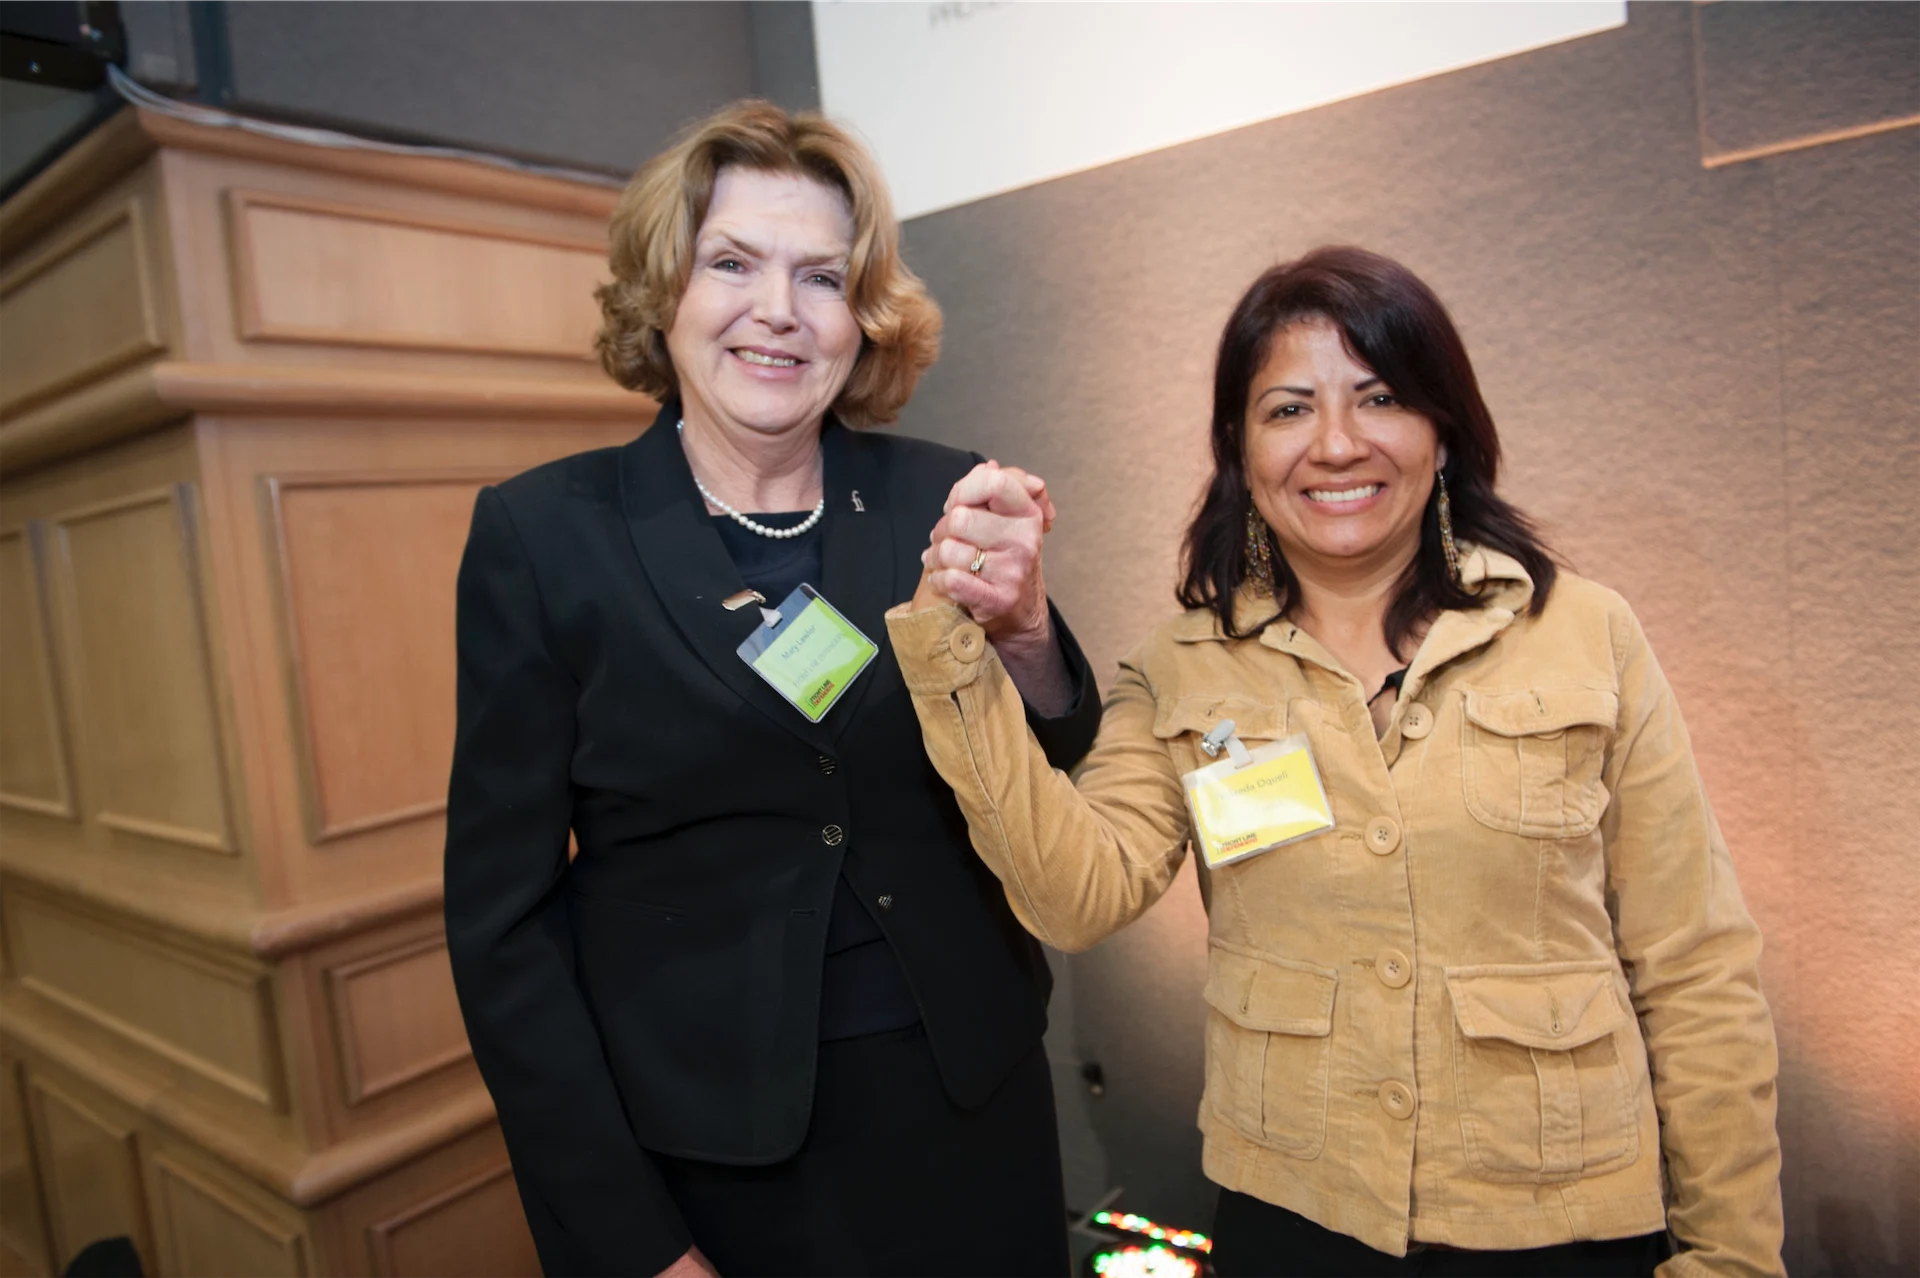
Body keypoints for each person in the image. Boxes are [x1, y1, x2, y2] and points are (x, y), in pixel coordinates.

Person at [889, 247, 1784, 1277]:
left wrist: (1733, 1254)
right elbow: (1072, 896)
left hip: (1560, 1225)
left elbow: (1696, 964)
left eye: (1381, 397)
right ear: (1239, 448)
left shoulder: (1586, 633)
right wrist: (958, 641)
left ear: (1443, 433)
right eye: (1288, 410)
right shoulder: (1183, 667)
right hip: (1298, 1222)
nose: (1338, 444)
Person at [443, 100, 1101, 1278]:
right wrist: (629, 1239)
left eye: (820, 277)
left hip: (970, 1104)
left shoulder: (940, 495)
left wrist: (1028, 627)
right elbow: (503, 929)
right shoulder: (544, 537)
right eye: (732, 264)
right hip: (712, 1152)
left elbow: (1054, 755)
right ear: (665, 293)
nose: (777, 313)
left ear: (863, 316)